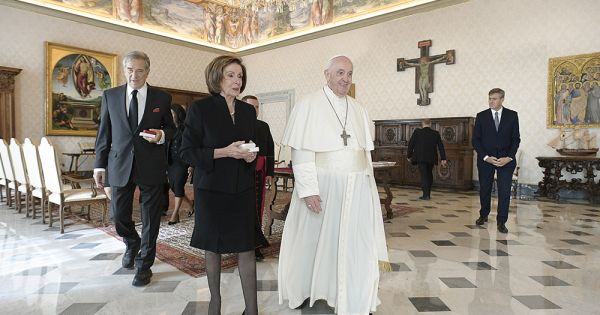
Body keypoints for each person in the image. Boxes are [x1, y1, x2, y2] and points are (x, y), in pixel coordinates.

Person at [278, 55, 390, 314]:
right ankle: (314, 289)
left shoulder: (359, 109)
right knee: (317, 242)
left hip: (357, 188)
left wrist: (369, 189)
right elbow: (302, 152)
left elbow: (365, 154)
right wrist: (308, 190)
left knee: (354, 241)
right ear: (326, 74)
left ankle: (352, 288)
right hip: (324, 188)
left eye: (349, 74)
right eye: (340, 72)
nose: (345, 79)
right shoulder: (308, 105)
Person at [179, 55, 258, 315]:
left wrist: (249, 155)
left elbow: (249, 146)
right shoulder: (200, 109)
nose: (237, 81)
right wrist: (224, 152)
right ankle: (215, 302)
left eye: (240, 76)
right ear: (217, 78)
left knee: (246, 247)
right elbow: (187, 152)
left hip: (243, 188)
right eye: (231, 76)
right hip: (211, 190)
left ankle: (252, 309)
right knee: (212, 247)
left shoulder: (247, 111)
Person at [93, 51, 175, 287]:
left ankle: (144, 264)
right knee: (118, 216)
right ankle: (131, 242)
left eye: (140, 70)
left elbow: (172, 130)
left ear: (147, 72)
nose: (134, 75)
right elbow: (104, 133)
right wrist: (100, 164)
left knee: (151, 218)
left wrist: (161, 135)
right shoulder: (110, 96)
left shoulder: (162, 98)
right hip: (118, 164)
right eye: (130, 69)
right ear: (124, 70)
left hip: (151, 165)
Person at [472, 88, 520, 234]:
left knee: (504, 191)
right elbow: (476, 140)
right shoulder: (481, 116)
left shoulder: (512, 115)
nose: (491, 101)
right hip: (486, 160)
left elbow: (515, 139)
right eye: (489, 98)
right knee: (485, 189)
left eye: (494, 98)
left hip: (506, 161)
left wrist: (509, 157)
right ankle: (483, 214)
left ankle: (501, 221)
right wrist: (486, 157)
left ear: (502, 99)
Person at [241, 95, 272, 262]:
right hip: (241, 174)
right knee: (242, 210)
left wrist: (270, 173)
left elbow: (270, 151)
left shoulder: (263, 126)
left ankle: (256, 245)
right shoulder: (236, 125)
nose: (254, 110)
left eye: (257, 107)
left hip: (259, 174)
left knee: (257, 210)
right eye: (251, 106)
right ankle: (242, 243)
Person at [166, 103, 194, 225]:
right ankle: (190, 203)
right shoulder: (168, 128)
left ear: (178, 115)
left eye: (172, 114)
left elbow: (191, 147)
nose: (170, 116)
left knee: (177, 186)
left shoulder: (186, 129)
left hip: (182, 163)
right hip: (170, 162)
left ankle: (175, 214)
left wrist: (191, 165)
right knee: (174, 187)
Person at [407, 119, 447, 200]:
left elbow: (411, 144)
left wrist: (409, 155)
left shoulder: (417, 132)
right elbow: (441, 146)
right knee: (429, 174)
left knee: (424, 175)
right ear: (430, 123)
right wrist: (443, 158)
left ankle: (426, 195)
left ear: (422, 123)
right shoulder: (435, 133)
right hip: (431, 158)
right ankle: (427, 193)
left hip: (420, 157)